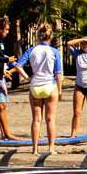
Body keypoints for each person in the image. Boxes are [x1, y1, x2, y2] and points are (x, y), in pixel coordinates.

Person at [9, 23, 63, 154]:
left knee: (36, 119)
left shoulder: (31, 50)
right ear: (50, 37)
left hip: (35, 86)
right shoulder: (54, 52)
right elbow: (58, 73)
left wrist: (27, 77)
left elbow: (17, 64)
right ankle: (51, 148)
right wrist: (60, 90)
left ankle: (35, 149)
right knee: (50, 119)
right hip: (49, 85)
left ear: (38, 36)